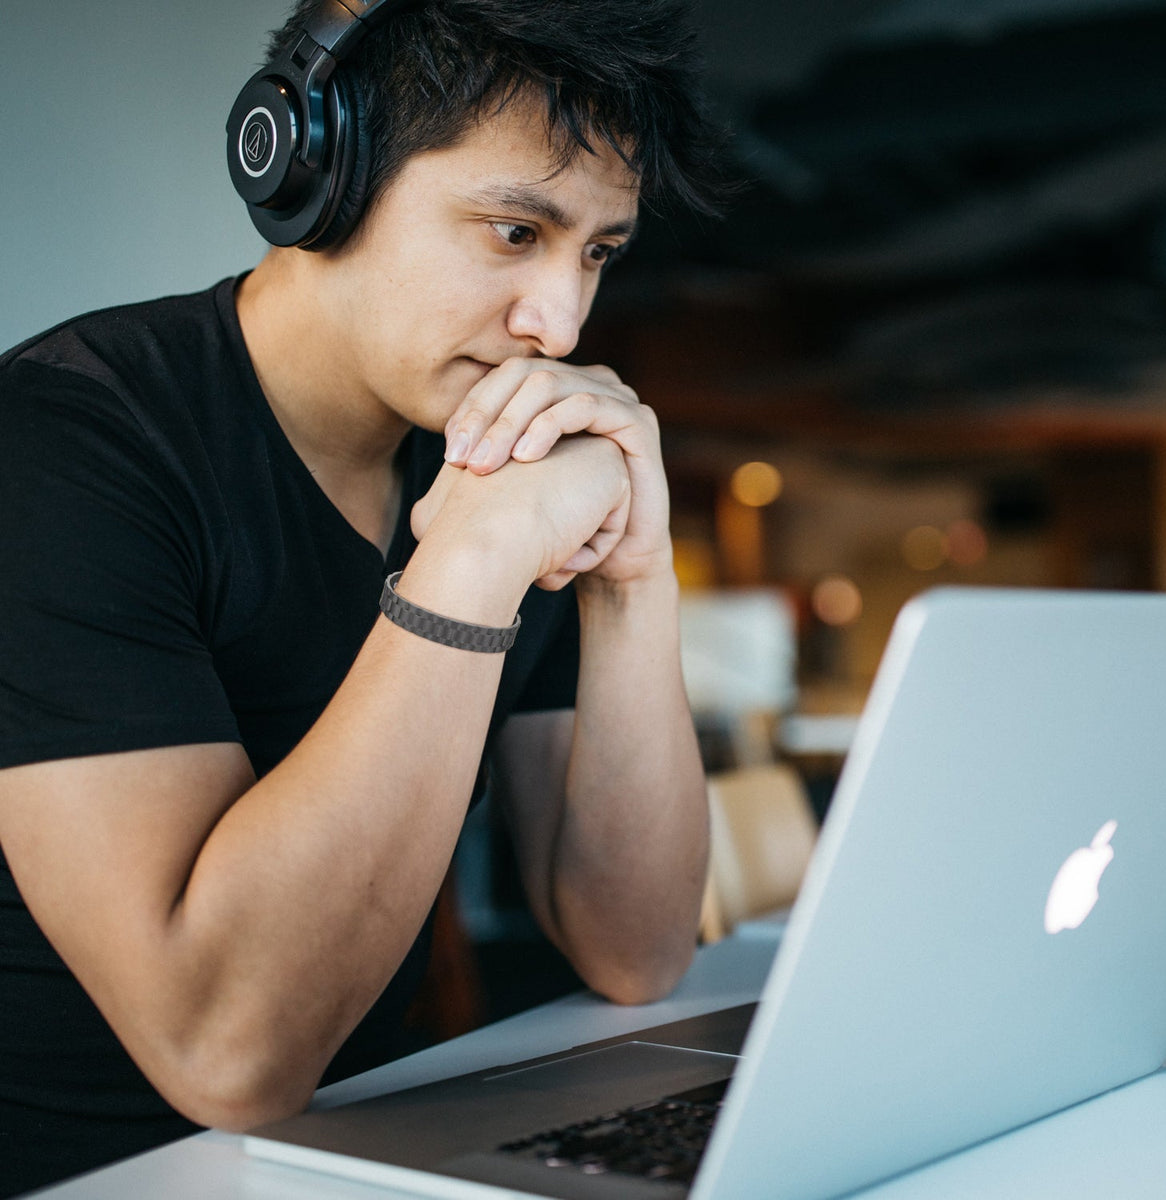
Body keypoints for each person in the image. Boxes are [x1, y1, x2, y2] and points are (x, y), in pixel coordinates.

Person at [0, 0, 730, 1194]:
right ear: (318, 176)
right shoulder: (66, 446)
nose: (559, 321)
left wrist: (630, 575)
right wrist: (472, 562)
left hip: (351, 1160)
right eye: (513, 231)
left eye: (597, 252)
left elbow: (637, 949)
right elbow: (223, 1053)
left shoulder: (499, 454)